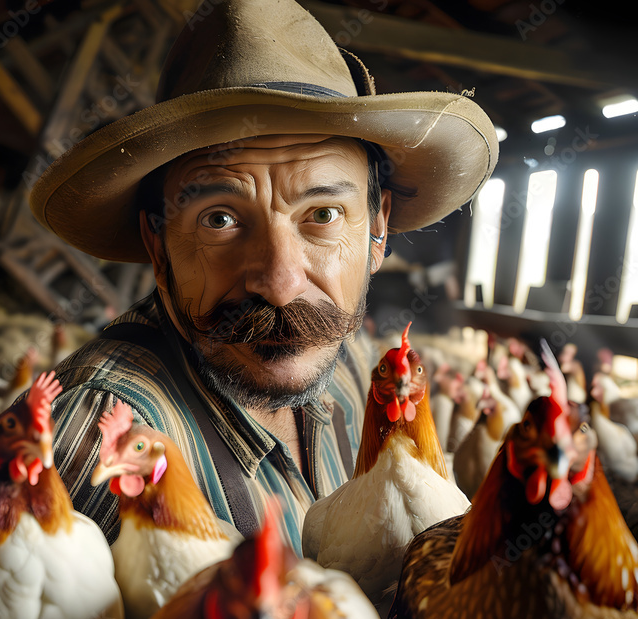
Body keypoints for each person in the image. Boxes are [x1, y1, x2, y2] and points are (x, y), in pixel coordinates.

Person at [28, 0, 497, 553]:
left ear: (378, 228)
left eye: (322, 215)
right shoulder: (90, 444)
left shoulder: (348, 356)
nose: (279, 283)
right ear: (158, 245)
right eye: (220, 219)